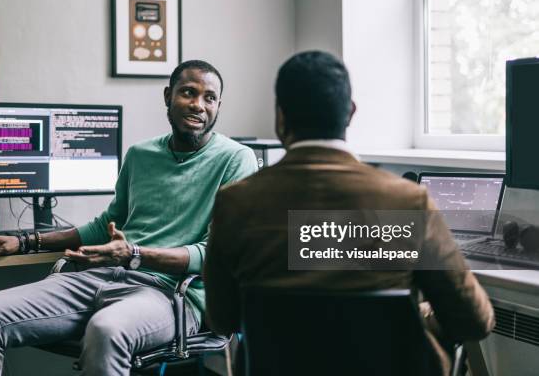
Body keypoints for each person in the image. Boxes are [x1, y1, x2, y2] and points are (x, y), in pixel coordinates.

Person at [0, 60, 258, 376]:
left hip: (172, 293)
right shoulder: (140, 155)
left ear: (218, 105)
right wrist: (25, 241)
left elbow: (219, 253)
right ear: (168, 95)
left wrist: (136, 255)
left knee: (106, 329)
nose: (198, 105)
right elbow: (106, 226)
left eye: (209, 97)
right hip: (102, 276)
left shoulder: (236, 159)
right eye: (188, 92)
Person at [203, 51, 495, 376]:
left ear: (280, 117)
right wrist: (421, 314)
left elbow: (222, 319)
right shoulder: (407, 201)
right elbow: (474, 321)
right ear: (350, 113)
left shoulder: (236, 203)